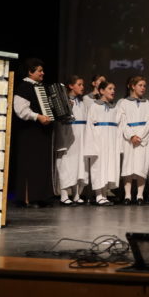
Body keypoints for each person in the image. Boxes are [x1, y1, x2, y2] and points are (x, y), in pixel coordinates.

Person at [12, 58, 54, 207]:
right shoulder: (24, 87)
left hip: (42, 132)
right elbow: (20, 110)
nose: (43, 73)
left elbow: (49, 107)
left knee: (41, 165)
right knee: (30, 165)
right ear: (30, 72)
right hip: (29, 133)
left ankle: (41, 196)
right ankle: (28, 198)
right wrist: (38, 116)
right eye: (39, 71)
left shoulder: (42, 87)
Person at [84, 80, 121, 206]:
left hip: (111, 141)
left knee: (108, 167)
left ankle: (104, 194)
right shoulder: (94, 106)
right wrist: (91, 145)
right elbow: (90, 126)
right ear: (101, 91)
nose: (113, 91)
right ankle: (99, 195)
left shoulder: (115, 107)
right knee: (99, 167)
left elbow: (119, 125)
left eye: (114, 89)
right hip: (99, 141)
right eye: (110, 88)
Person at [119, 76, 149, 205]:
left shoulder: (147, 103)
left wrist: (140, 136)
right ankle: (128, 195)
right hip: (129, 139)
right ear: (133, 86)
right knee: (128, 166)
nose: (143, 88)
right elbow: (122, 121)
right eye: (140, 85)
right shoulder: (124, 103)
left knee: (141, 166)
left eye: (144, 86)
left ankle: (140, 195)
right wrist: (131, 136)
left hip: (142, 139)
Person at [55, 75, 88, 205]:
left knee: (78, 165)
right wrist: (66, 107)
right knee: (65, 165)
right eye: (79, 84)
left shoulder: (82, 103)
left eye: (82, 84)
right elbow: (59, 120)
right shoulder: (63, 101)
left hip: (80, 137)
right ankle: (64, 195)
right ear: (70, 86)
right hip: (68, 136)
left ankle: (76, 194)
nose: (82, 87)